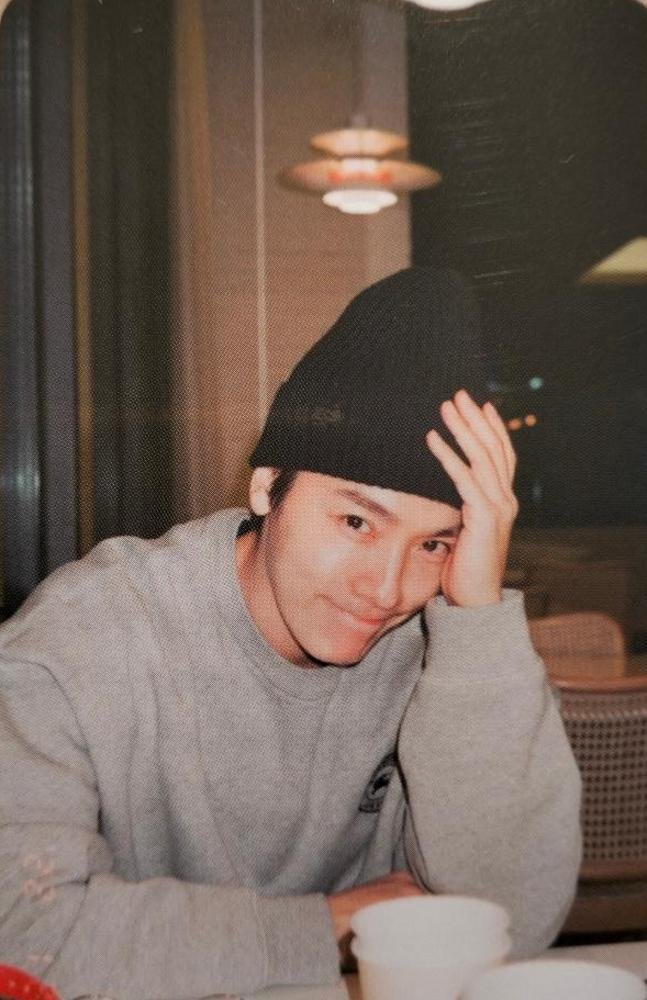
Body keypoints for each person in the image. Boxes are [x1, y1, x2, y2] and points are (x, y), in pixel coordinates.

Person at [0, 267, 581, 1000]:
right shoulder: (88, 637)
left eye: (434, 543)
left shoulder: (442, 651)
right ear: (266, 484)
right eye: (356, 521)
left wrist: (476, 621)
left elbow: (513, 921)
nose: (386, 589)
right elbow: (21, 931)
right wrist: (329, 925)